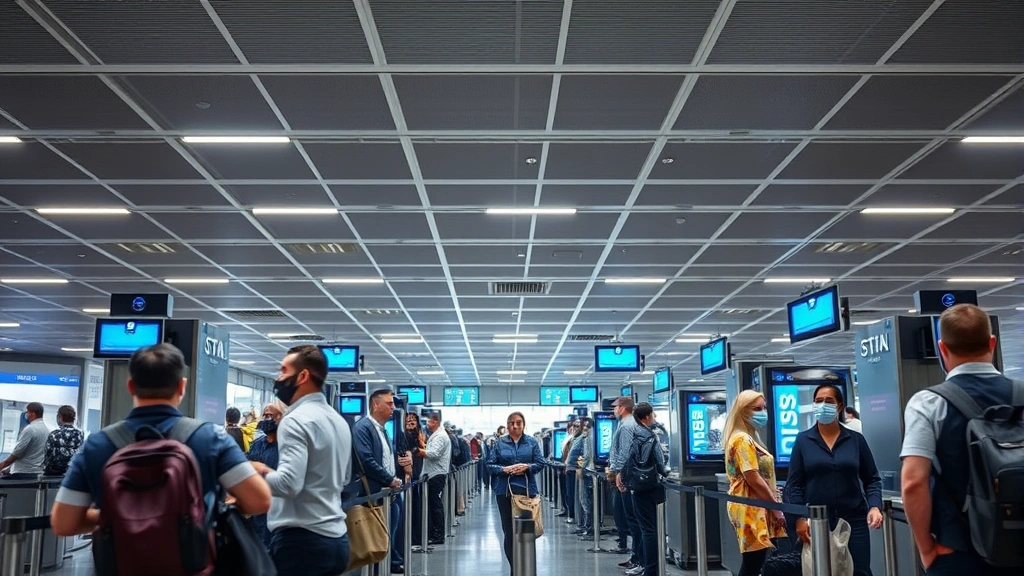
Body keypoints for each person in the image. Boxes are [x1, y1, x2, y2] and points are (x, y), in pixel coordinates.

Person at [50, 343, 271, 537]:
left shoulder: (98, 445)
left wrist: (124, 518)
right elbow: (258, 501)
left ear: (131, 387)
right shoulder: (211, 438)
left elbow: (64, 522)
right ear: (181, 387)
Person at [901, 304, 1020, 576]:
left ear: (942, 349)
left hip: (957, 552)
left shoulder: (928, 403)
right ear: (992, 343)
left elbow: (913, 482)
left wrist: (926, 549)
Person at [249, 345, 353, 576]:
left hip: (302, 544)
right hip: (336, 540)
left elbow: (288, 484)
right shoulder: (338, 421)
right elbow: (344, 477)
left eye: (284, 370)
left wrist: (256, 472)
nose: (279, 378)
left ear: (303, 375)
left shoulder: (295, 420)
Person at [787, 384, 883, 576]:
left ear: (840, 406)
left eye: (829, 401)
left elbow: (872, 479)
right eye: (818, 401)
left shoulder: (856, 440)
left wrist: (874, 506)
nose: (822, 405)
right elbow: (794, 485)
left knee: (860, 571)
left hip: (854, 519)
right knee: (821, 571)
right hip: (816, 522)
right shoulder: (803, 441)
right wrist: (798, 518)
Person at [723, 390, 786, 576]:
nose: (762, 412)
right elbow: (753, 478)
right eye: (757, 408)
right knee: (753, 563)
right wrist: (776, 508)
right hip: (751, 506)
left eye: (764, 407)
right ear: (743, 411)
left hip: (751, 504)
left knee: (754, 562)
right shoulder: (742, 439)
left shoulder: (743, 437)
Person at [350, 389, 411, 574]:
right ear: (376, 404)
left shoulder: (382, 430)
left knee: (386, 539)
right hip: (373, 495)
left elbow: (384, 459)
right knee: (374, 542)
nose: (393, 407)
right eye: (389, 403)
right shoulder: (363, 428)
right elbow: (367, 460)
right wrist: (389, 480)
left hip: (388, 494)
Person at [485, 411, 546, 573]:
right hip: (504, 492)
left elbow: (540, 462)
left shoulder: (532, 442)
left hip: (526, 492)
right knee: (509, 532)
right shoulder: (499, 443)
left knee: (525, 531)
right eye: (512, 423)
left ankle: (525, 567)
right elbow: (490, 465)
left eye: (518, 422)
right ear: (507, 425)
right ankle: (515, 568)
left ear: (523, 425)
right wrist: (504, 470)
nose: (515, 425)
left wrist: (527, 467)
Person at [626, 403, 670, 576]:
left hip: (636, 485)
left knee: (645, 528)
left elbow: (626, 458)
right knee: (652, 530)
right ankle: (652, 569)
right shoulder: (651, 436)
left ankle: (646, 565)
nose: (654, 418)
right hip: (651, 485)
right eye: (653, 415)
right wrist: (666, 471)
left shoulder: (632, 434)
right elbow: (660, 463)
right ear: (646, 417)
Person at [608, 396, 642, 566]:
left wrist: (620, 473)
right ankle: (636, 557)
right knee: (631, 519)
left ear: (622, 408)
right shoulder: (625, 424)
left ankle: (638, 559)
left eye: (616, 407)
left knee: (633, 520)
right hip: (626, 475)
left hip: (627, 477)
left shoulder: (628, 426)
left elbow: (626, 452)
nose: (615, 410)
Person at [247, 401, 284, 551]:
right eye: (265, 415)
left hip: (277, 509)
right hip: (256, 509)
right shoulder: (257, 444)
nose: (267, 419)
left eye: (271, 415)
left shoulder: (286, 446)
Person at [422, 413, 451, 546]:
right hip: (435, 473)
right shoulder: (439, 435)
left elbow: (434, 454)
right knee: (435, 505)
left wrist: (420, 451)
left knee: (435, 505)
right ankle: (436, 533)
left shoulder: (440, 436)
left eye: (429, 422)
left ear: (435, 422)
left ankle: (438, 535)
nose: (427, 424)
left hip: (436, 474)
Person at [0, 402, 48, 477]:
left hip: (23, 473)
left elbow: (17, 452)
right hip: (38, 472)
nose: (27, 415)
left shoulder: (30, 429)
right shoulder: (47, 430)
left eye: (27, 412)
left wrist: (2, 466)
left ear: (33, 413)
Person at [405, 413, 427, 548]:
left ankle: (416, 537)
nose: (411, 422)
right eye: (409, 420)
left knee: (416, 506)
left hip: (418, 474)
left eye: (413, 420)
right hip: (410, 475)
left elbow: (424, 450)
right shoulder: (403, 435)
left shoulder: (421, 436)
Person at [43, 405, 84, 476]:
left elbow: (48, 456)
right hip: (73, 473)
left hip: (54, 473)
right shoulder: (80, 434)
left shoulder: (54, 434)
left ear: (60, 417)